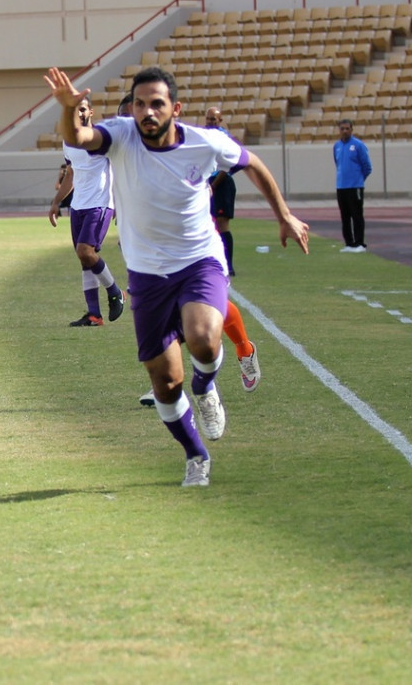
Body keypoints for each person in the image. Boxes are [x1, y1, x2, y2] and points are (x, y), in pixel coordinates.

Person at [45, 65, 310, 487]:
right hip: (148, 274)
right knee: (166, 384)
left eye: (157, 103)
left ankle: (205, 386)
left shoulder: (205, 142)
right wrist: (67, 109)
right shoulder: (121, 135)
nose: (147, 111)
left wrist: (285, 215)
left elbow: (253, 163)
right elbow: (78, 139)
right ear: (131, 107)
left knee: (204, 339)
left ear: (175, 108)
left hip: (199, 261)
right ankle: (196, 455)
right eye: (140, 103)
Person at [48, 95, 125, 327]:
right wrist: (56, 202)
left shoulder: (100, 139)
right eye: (75, 110)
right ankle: (94, 315)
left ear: (91, 112)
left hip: (100, 204)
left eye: (83, 109)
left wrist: (121, 204)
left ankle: (115, 291)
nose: (79, 114)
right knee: (85, 261)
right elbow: (71, 173)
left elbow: (119, 169)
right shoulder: (68, 142)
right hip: (78, 206)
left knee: (85, 251)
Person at [205, 107, 237, 276]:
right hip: (208, 183)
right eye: (208, 119)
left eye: (214, 119)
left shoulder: (224, 138)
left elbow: (226, 167)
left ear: (220, 120)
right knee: (209, 224)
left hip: (221, 183)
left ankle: (228, 265)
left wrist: (214, 186)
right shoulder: (204, 136)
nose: (210, 122)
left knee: (222, 223)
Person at [333, 119, 372, 253]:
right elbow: (337, 163)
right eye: (342, 128)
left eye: (347, 128)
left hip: (355, 186)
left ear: (351, 130)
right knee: (345, 216)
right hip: (341, 186)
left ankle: (360, 243)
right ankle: (349, 243)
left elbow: (367, 166)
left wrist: (359, 180)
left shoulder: (358, 145)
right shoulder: (337, 146)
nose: (345, 131)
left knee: (357, 215)